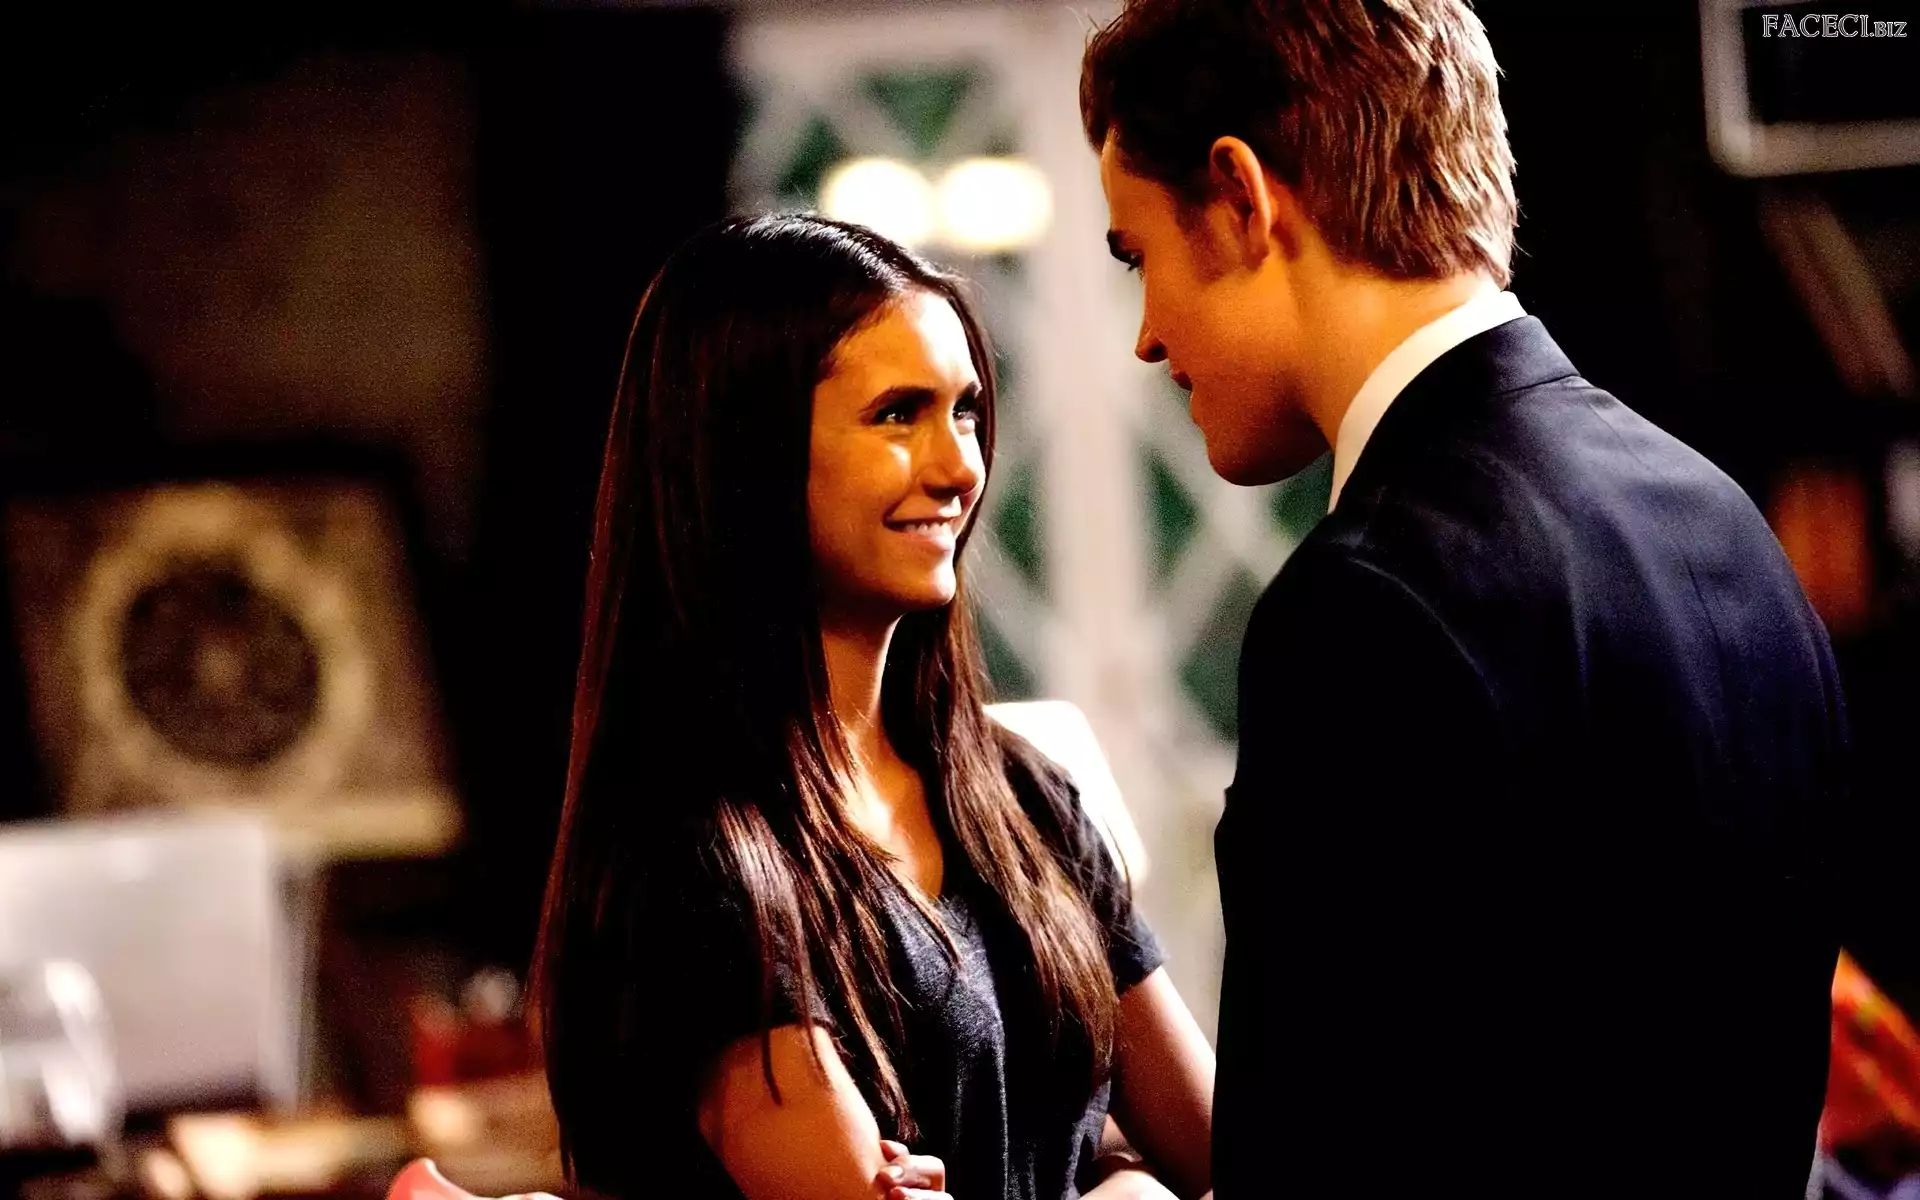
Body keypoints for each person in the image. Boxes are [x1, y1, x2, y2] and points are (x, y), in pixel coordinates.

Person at [1081, 2, 1846, 1195]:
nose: (1145, 335)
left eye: (1138, 256)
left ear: (1239, 198)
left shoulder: (1365, 605)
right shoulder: (1722, 524)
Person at [531, 214, 1216, 1200]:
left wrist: (1126, 1176)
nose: (959, 466)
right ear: (745, 455)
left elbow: (1225, 1154)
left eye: (966, 411)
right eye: (899, 415)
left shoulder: (1027, 798)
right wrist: (1127, 1189)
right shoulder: (697, 862)